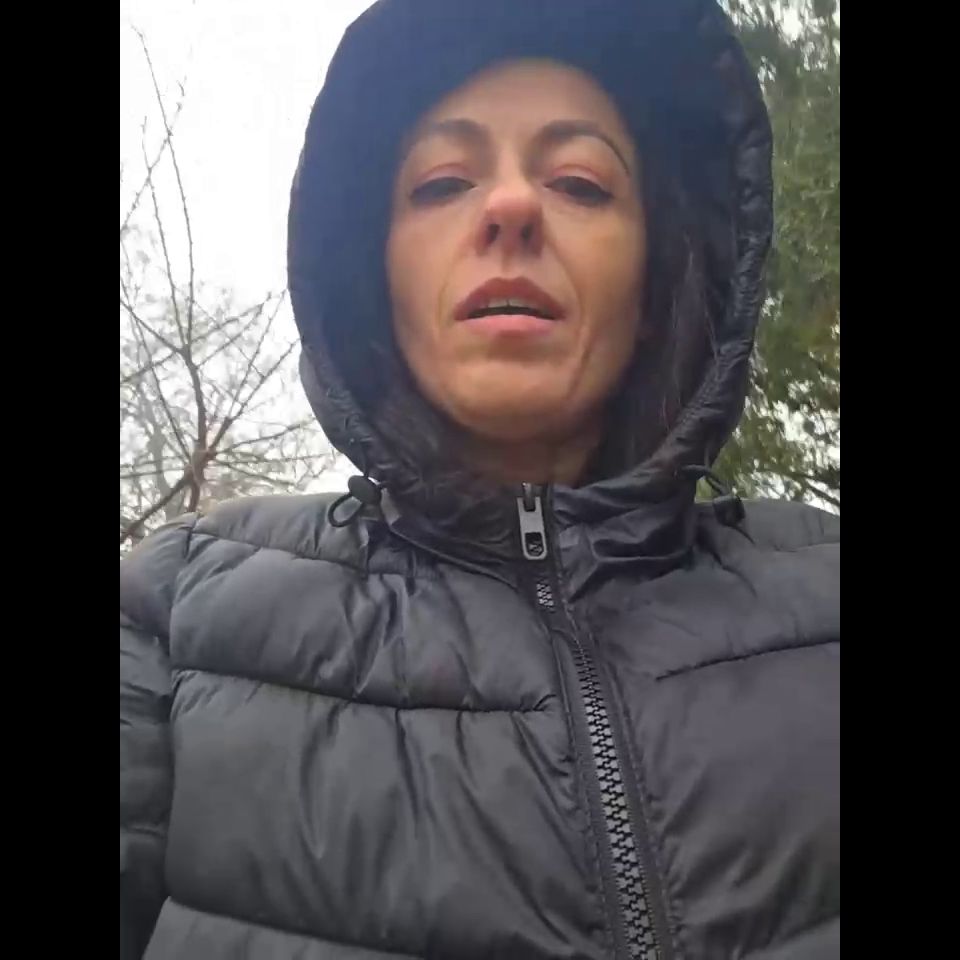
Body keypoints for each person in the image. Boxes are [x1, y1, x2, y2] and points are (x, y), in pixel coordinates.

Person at [119, 1, 840, 957]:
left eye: (579, 182)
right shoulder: (172, 617)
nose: (510, 207)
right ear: (374, 276)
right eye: (443, 182)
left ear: (659, 277)